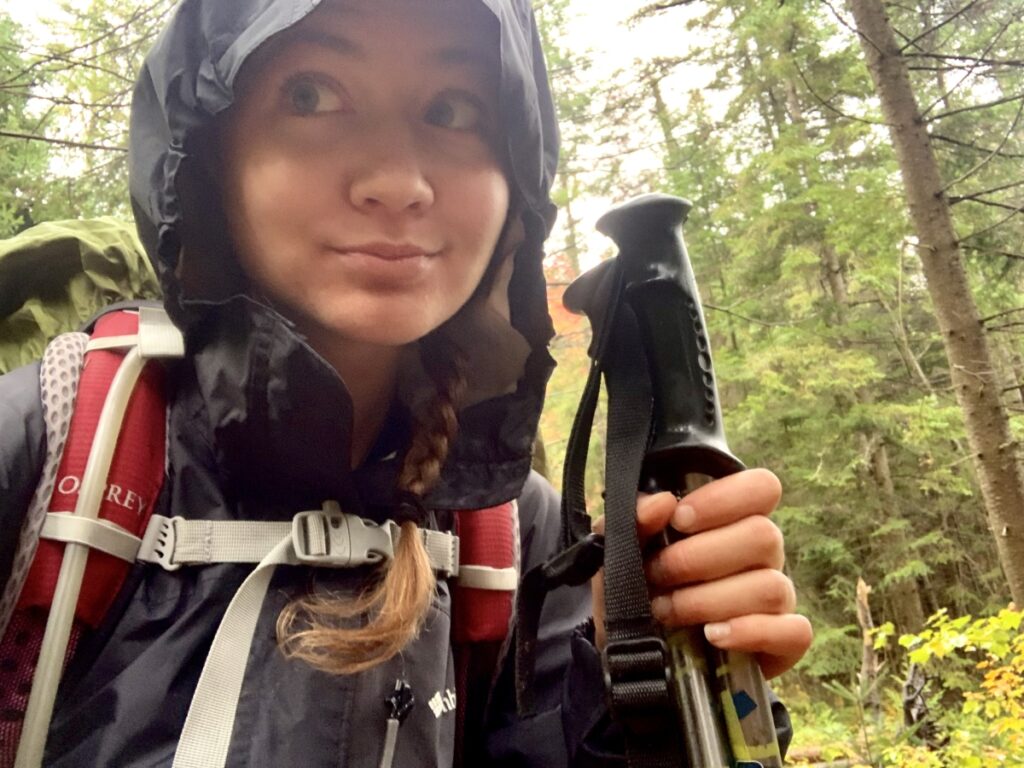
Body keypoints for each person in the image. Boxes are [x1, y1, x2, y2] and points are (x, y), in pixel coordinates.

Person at [0, 0, 812, 765]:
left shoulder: (512, 531)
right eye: (312, 95)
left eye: (454, 108)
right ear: (207, 155)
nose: (398, 180)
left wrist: (645, 677)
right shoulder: (53, 450)